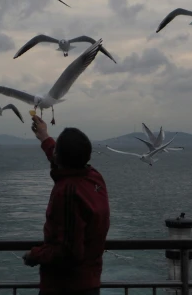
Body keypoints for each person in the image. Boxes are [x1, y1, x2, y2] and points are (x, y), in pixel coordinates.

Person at [23, 114, 110, 295]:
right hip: (90, 282)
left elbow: (69, 251)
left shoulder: (68, 192)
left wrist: (34, 255)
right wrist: (45, 137)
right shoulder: (94, 177)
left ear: (60, 157)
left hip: (67, 287)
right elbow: (66, 160)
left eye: (56, 151)